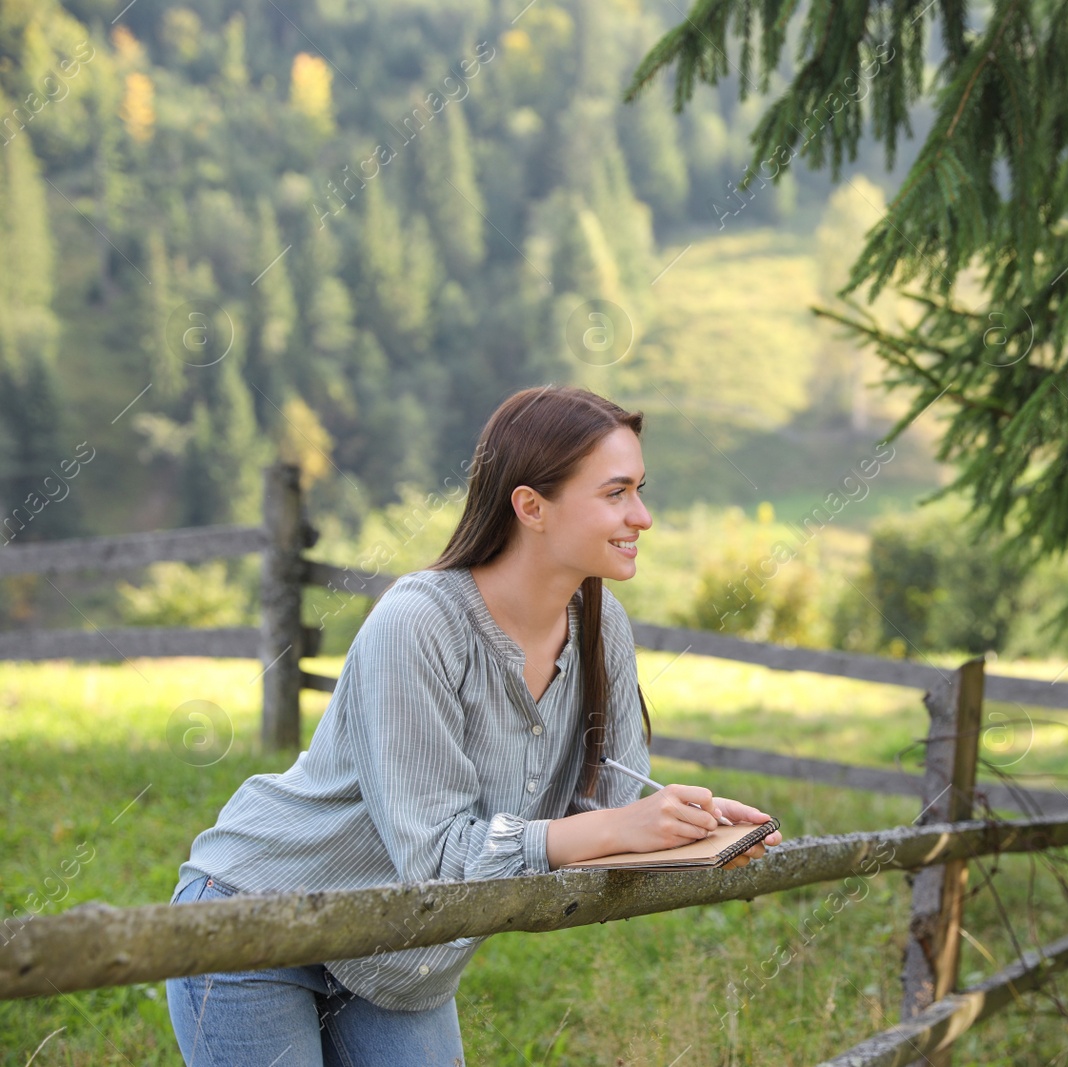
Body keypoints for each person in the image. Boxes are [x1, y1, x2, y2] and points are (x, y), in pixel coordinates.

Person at [166, 385, 783, 1066]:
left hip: (400, 956)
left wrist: (689, 832)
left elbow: (600, 819)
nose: (643, 515)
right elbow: (435, 861)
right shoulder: (419, 624)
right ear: (531, 506)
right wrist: (617, 827)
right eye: (616, 493)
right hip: (260, 918)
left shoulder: (604, 627)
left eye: (640, 489)